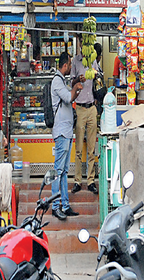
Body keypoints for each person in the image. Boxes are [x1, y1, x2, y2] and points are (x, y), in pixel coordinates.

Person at [51, 52, 84, 220]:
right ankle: (55, 205)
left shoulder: (61, 81)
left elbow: (71, 99)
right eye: (70, 65)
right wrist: (76, 87)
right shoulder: (57, 81)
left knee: (63, 171)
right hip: (62, 131)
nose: (70, 67)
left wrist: (76, 89)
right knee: (58, 171)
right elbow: (68, 97)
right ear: (65, 65)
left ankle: (65, 204)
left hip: (67, 131)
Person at [70, 36, 99, 195]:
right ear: (80, 44)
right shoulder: (75, 61)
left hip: (91, 107)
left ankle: (90, 180)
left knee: (91, 149)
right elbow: (70, 82)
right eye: (82, 43)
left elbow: (98, 78)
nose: (84, 46)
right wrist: (77, 79)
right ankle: (77, 180)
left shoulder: (93, 61)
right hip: (80, 108)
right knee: (79, 147)